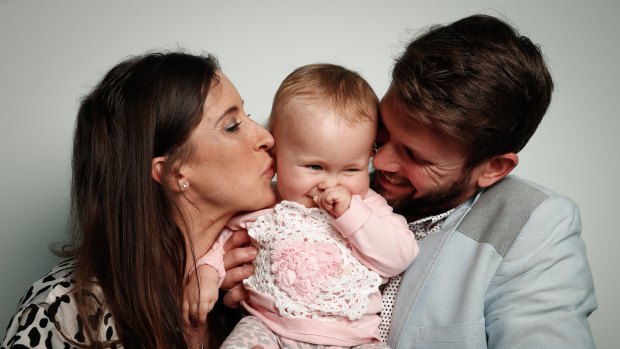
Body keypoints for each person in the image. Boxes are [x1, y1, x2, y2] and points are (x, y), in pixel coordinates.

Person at [222, 14, 598, 349]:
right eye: (380, 137)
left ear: (493, 167)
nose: (379, 162)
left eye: (415, 156)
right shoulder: (329, 187)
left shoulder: (532, 225)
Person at [1, 52, 277, 348]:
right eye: (232, 126)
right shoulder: (64, 313)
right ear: (174, 173)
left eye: (247, 117)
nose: (267, 138)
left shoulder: (254, 288)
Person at [186, 64, 418, 348]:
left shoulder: (368, 206)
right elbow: (220, 247)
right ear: (277, 156)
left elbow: (399, 256)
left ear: (368, 157)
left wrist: (352, 215)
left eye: (351, 169)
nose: (330, 184)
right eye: (315, 166)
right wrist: (207, 275)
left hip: (353, 341)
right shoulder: (263, 207)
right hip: (270, 329)